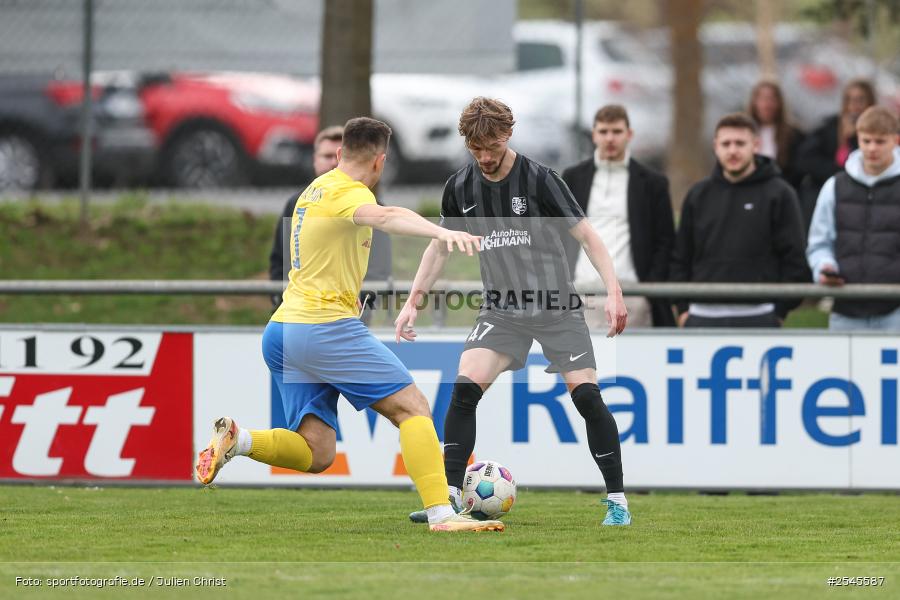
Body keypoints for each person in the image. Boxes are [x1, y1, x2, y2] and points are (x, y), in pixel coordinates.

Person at [195, 117, 502, 533]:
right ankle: (442, 514)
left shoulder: (313, 191)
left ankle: (239, 438)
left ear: (340, 153)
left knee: (317, 451)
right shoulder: (349, 191)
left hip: (283, 330)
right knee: (413, 408)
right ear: (380, 161)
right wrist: (442, 232)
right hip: (322, 328)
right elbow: (387, 215)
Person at [397, 97, 632, 526]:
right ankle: (448, 497)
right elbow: (439, 247)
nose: (485, 157)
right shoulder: (460, 186)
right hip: (502, 310)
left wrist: (613, 292)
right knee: (463, 389)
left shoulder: (541, 180)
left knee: (586, 398)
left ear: (508, 134)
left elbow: (588, 237)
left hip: (556, 307)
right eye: (476, 148)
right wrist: (412, 302)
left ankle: (617, 501)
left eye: (492, 146)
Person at [670, 113, 809, 327]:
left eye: (740, 143)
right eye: (726, 144)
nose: (733, 150)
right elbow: (681, 256)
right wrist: (682, 309)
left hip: (760, 315)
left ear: (756, 145)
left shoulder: (780, 194)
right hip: (701, 315)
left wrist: (780, 310)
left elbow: (795, 259)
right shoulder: (698, 195)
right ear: (715, 147)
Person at [562, 104, 675, 328]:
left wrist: (647, 291)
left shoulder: (653, 183)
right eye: (603, 131)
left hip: (632, 294)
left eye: (616, 131)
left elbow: (666, 240)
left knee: (632, 354)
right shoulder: (573, 177)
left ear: (629, 134)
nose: (610, 138)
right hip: (583, 292)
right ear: (594, 135)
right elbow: (560, 233)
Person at [269, 125, 392, 323]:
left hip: (348, 316)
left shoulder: (371, 207)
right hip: (299, 315)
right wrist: (285, 300)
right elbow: (281, 261)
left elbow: (379, 270)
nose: (334, 163)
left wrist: (362, 306)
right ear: (314, 159)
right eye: (327, 156)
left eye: (340, 158)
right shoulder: (298, 203)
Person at [807, 106, 900, 330]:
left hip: (895, 311)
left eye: (880, 141)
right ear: (857, 138)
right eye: (866, 141)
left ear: (895, 141)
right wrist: (825, 267)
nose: (872, 148)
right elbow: (819, 243)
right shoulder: (834, 186)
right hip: (845, 308)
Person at [796, 79, 877, 230]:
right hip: (827, 193)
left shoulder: (877, 134)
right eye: (849, 99)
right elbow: (805, 160)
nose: (854, 105)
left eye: (860, 100)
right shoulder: (829, 127)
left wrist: (853, 139)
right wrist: (836, 172)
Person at [747, 80, 805, 191]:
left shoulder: (793, 135)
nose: (767, 105)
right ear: (754, 103)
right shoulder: (743, 133)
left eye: (772, 99)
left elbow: (798, 170)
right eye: (762, 99)